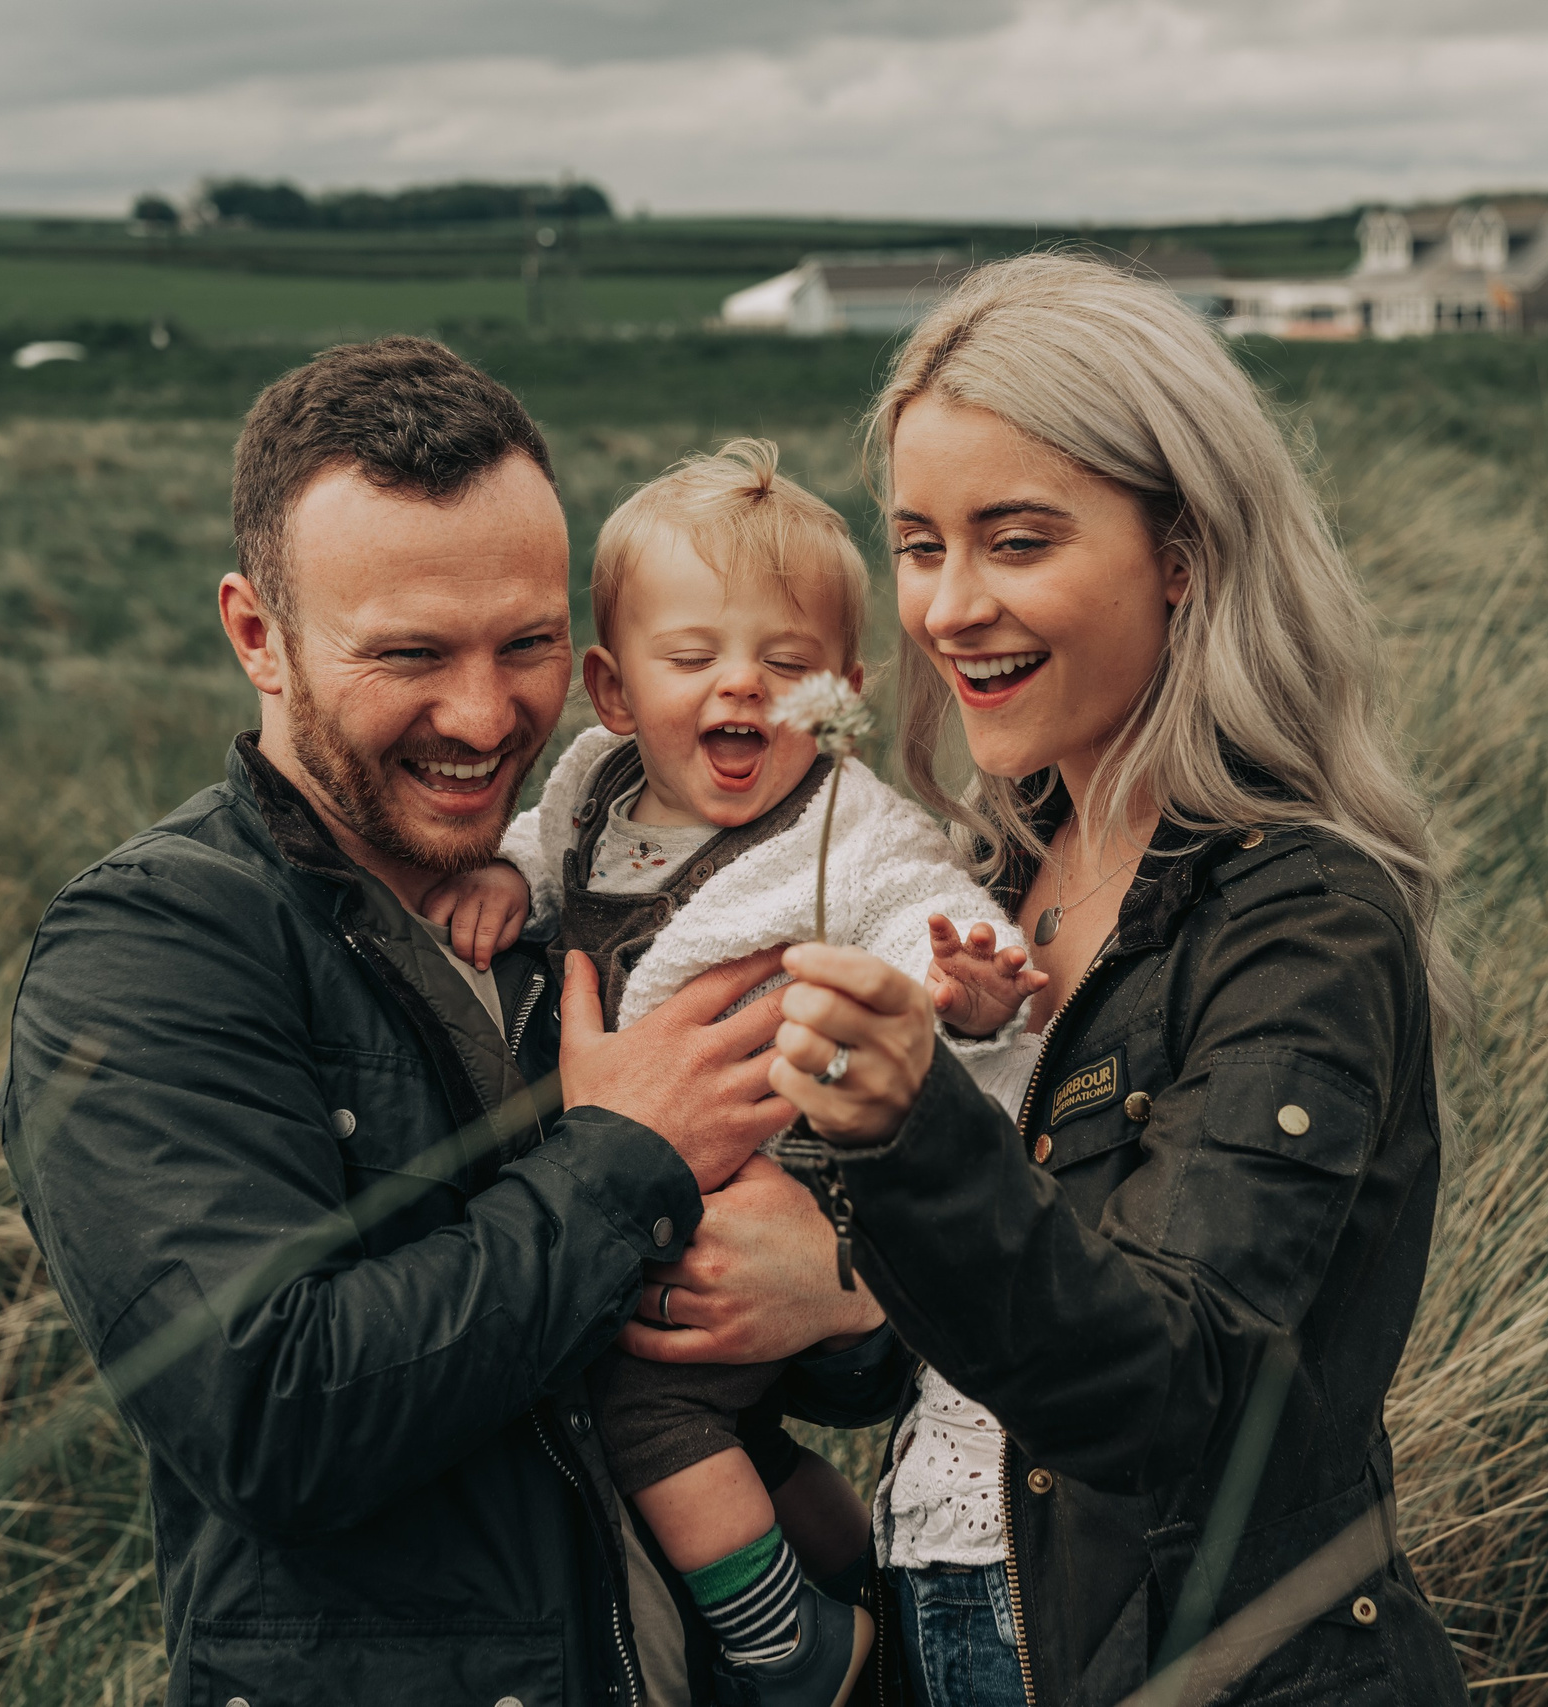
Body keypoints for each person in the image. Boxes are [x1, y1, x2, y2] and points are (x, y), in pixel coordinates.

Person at [0, 336, 887, 1707]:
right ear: (255, 633)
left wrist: (844, 1288)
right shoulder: (153, 949)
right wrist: (626, 1154)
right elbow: (270, 1413)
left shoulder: (616, 882)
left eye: (526, 643)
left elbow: (856, 1362)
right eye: (409, 652)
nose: (483, 716)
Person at [755, 256, 1478, 1706]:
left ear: (1183, 552)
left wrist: (911, 1137)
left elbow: (1168, 1389)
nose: (951, 606)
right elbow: (917, 1371)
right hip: (948, 1641)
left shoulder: (1301, 921)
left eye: (1017, 539)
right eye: (918, 543)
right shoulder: (980, 885)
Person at [423, 440, 1045, 1706]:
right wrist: (508, 879)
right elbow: (546, 848)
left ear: (844, 689)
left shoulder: (843, 825)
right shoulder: (595, 785)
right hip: (647, 1180)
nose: (742, 691)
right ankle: (844, 1567)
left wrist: (966, 985)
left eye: (789, 664)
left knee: (636, 1406)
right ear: (610, 687)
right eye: (693, 659)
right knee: (725, 1434)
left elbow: (919, 910)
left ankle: (788, 1649)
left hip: (779, 1192)